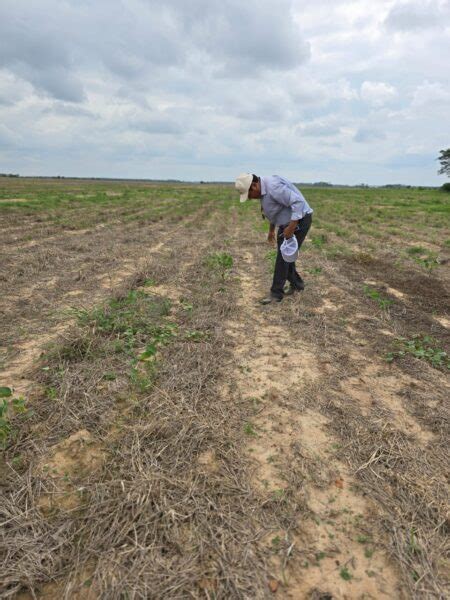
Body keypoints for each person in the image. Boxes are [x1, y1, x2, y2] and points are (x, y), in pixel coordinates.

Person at [235, 173, 313, 304]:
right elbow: (275, 209)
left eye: (248, 195)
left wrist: (292, 227)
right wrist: (271, 230)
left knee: (282, 259)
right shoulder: (263, 189)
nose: (249, 198)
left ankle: (276, 294)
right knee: (286, 257)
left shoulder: (273, 187)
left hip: (299, 221)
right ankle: (297, 285)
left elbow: (298, 202)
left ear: (254, 185)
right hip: (286, 223)